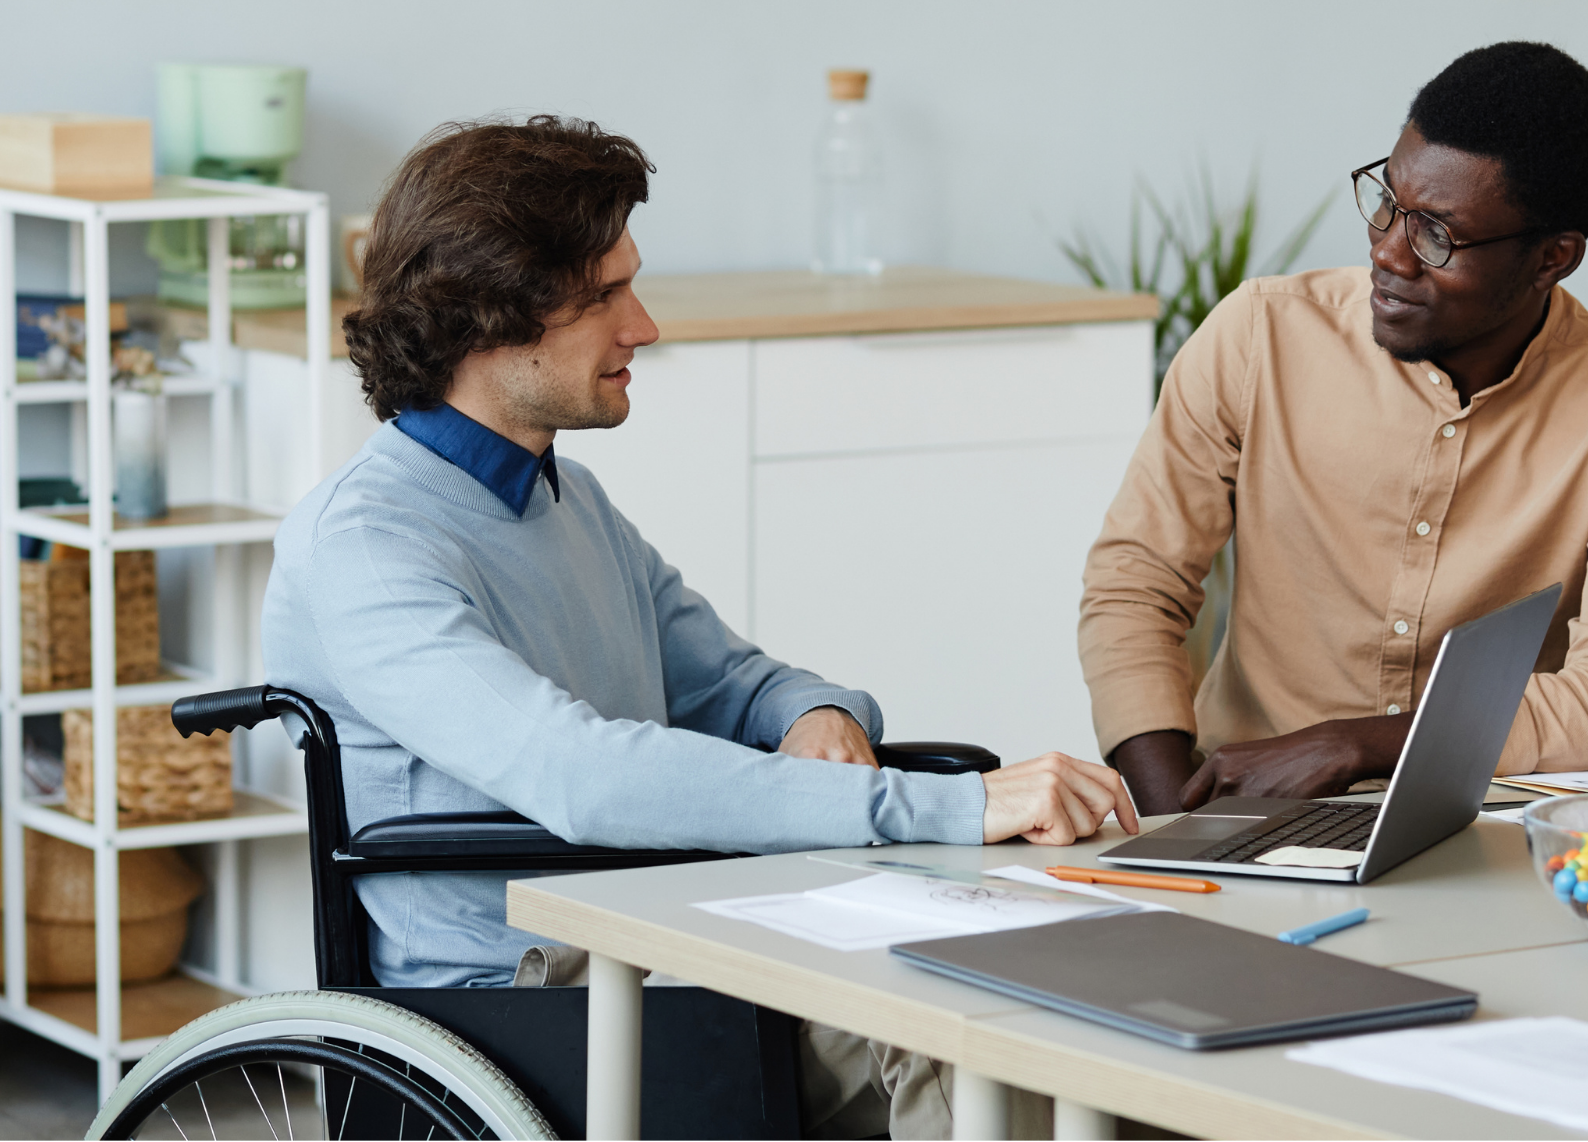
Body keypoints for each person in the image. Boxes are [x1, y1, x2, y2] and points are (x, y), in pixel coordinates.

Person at [262, 115, 1135, 1140]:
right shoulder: (364, 542)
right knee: (947, 1017)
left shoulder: (566, 498)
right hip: (517, 995)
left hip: (669, 928)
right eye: (602, 297)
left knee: (1049, 973)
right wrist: (936, 806)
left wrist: (811, 709)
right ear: (487, 319)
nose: (643, 326)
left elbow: (736, 681)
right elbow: (579, 773)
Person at [1080, 42, 1588, 816]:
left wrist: (1359, 745)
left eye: (1436, 236)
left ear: (1552, 259)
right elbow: (1134, 586)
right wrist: (1177, 816)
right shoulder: (1261, 335)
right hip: (1234, 805)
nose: (1387, 252)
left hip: (1481, 825)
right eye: (1386, 203)